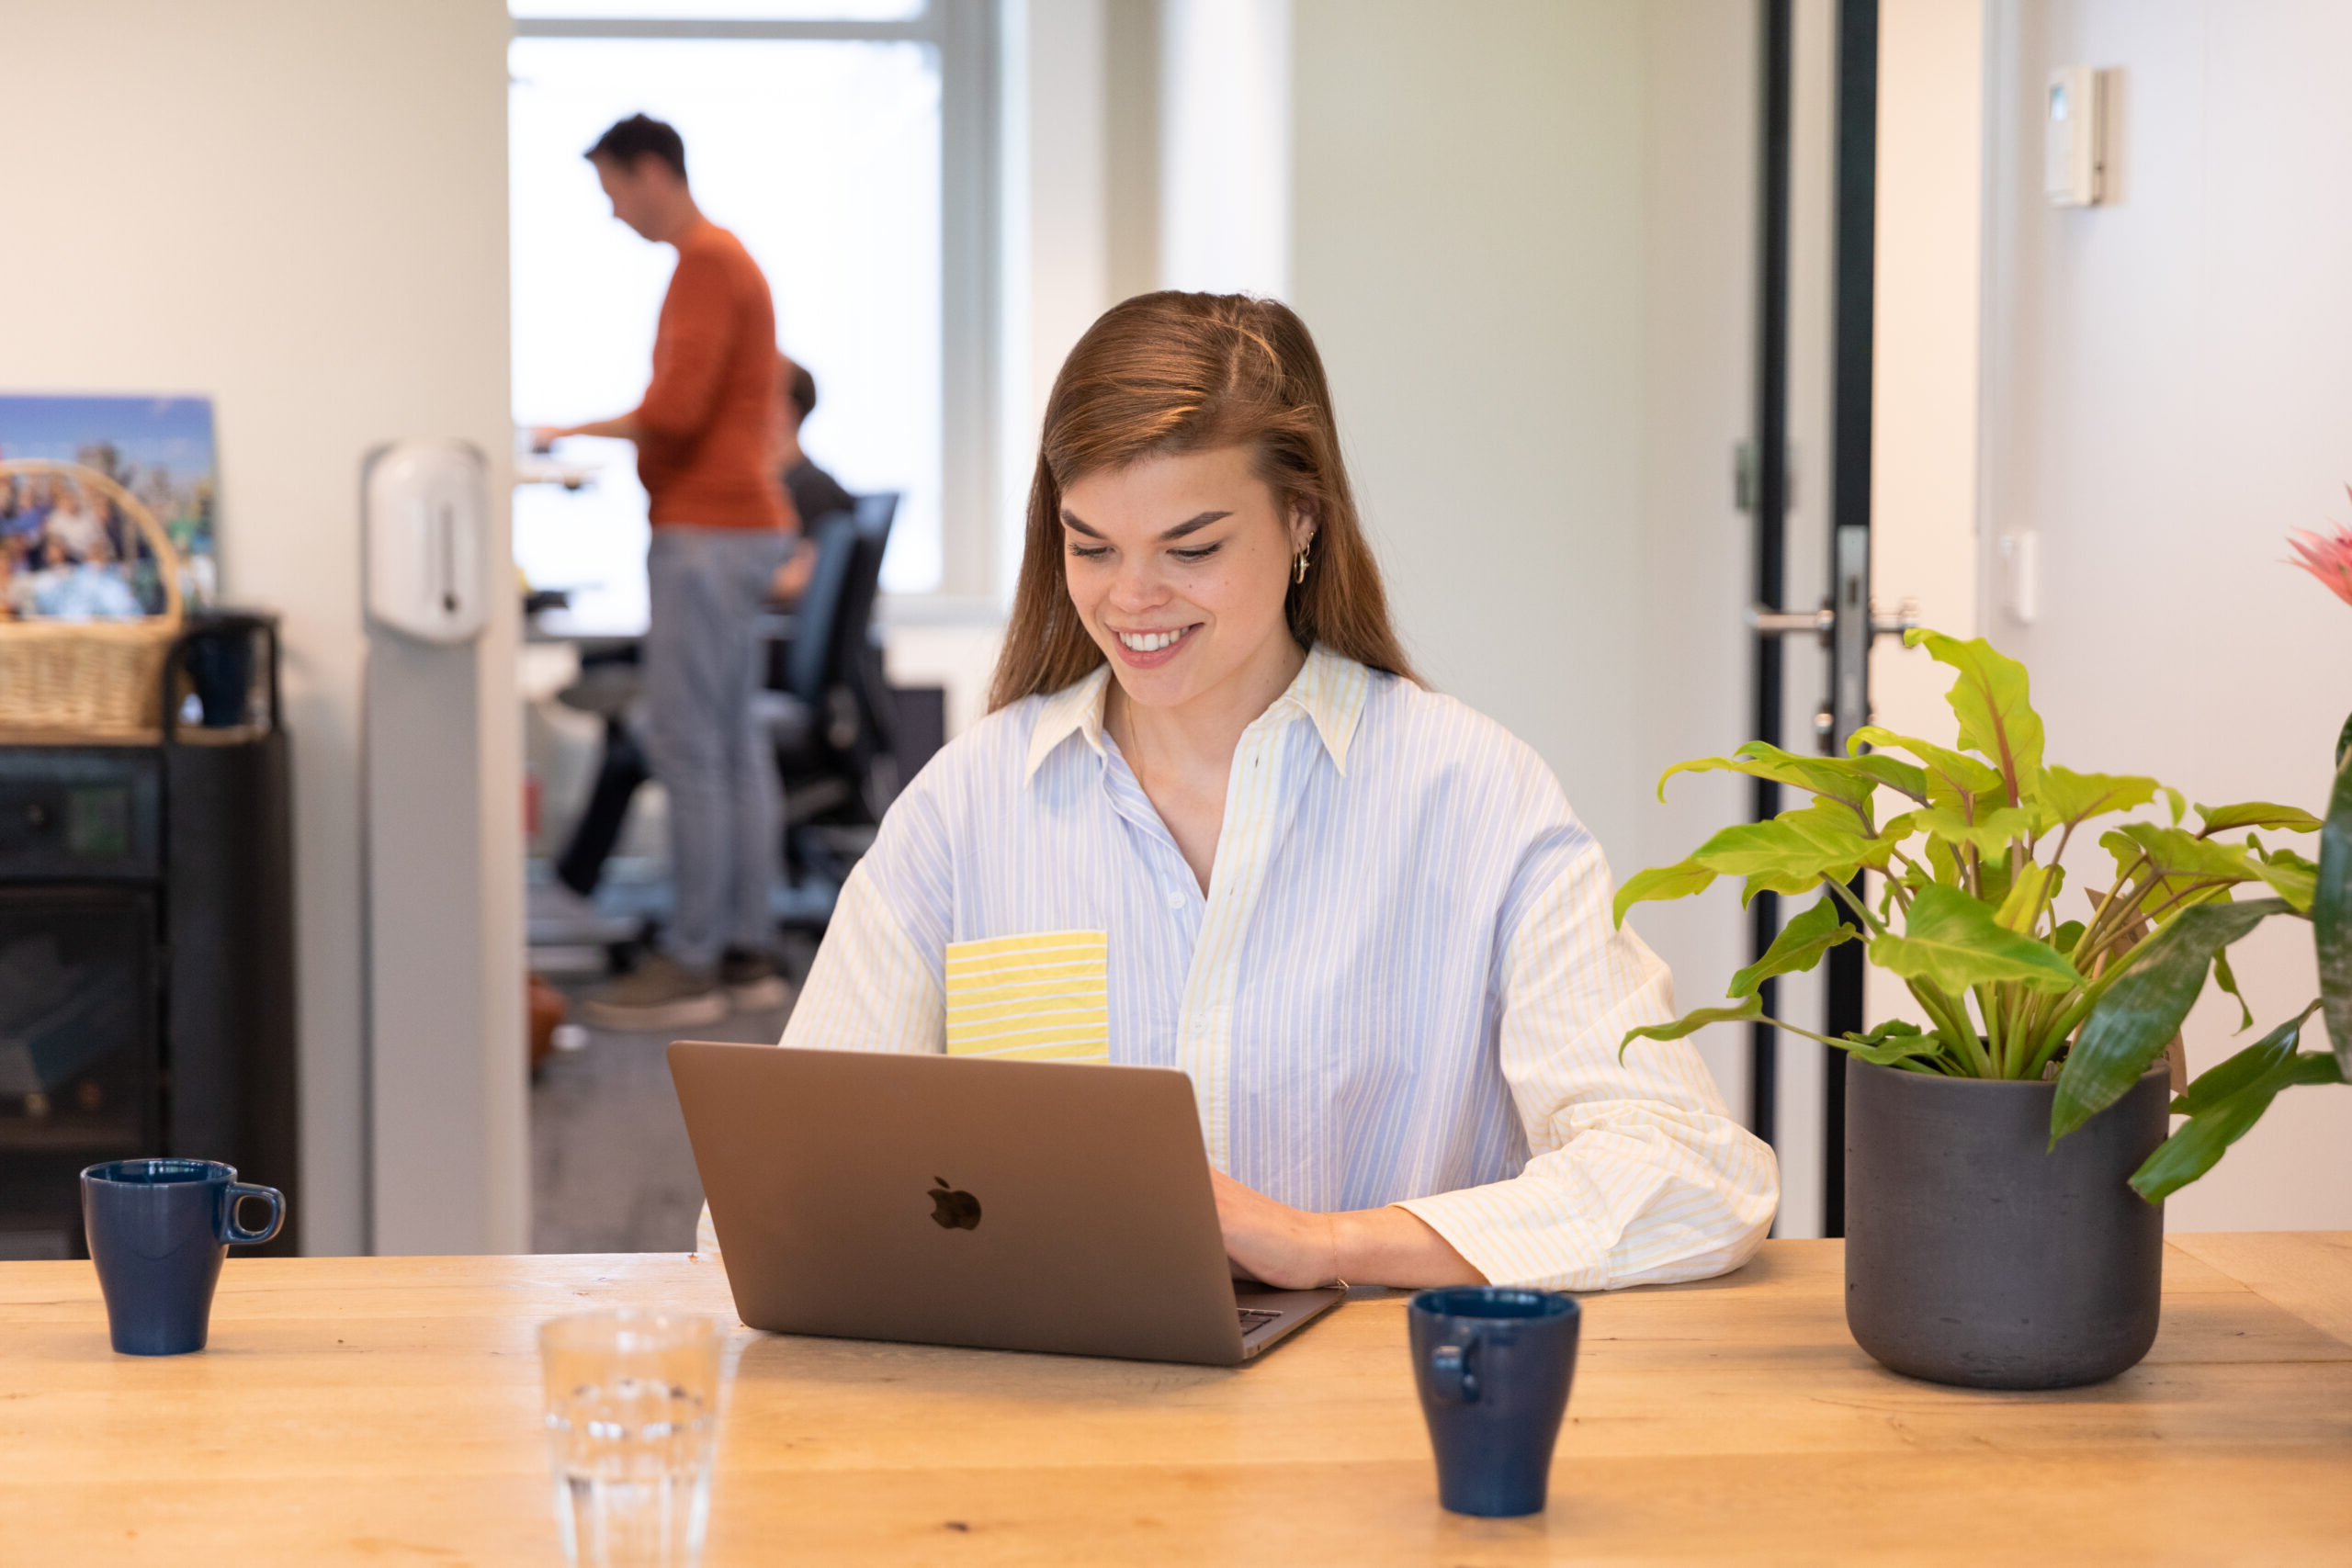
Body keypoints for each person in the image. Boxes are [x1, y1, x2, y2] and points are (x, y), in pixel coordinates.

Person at [717, 292, 1778, 1291]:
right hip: (1056, 1412)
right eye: (1091, 547)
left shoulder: (1470, 795)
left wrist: (1320, 1244)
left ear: (1302, 518)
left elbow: (1690, 1175)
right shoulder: (969, 807)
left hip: (1372, 1422)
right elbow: (775, 1195)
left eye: (1192, 548)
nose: (1132, 599)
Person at [533, 114, 797, 1028]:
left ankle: (693, 961)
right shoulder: (728, 262)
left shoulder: (705, 265)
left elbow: (675, 413)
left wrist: (567, 432)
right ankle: (745, 951)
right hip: (733, 528)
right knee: (726, 748)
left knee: (689, 746)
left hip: (708, 529)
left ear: (651, 172)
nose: (612, 214)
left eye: (612, 190)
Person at [768, 355, 854, 605]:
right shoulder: (781, 484)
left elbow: (804, 578)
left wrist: (733, 581)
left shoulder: (813, 489)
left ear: (785, 412)